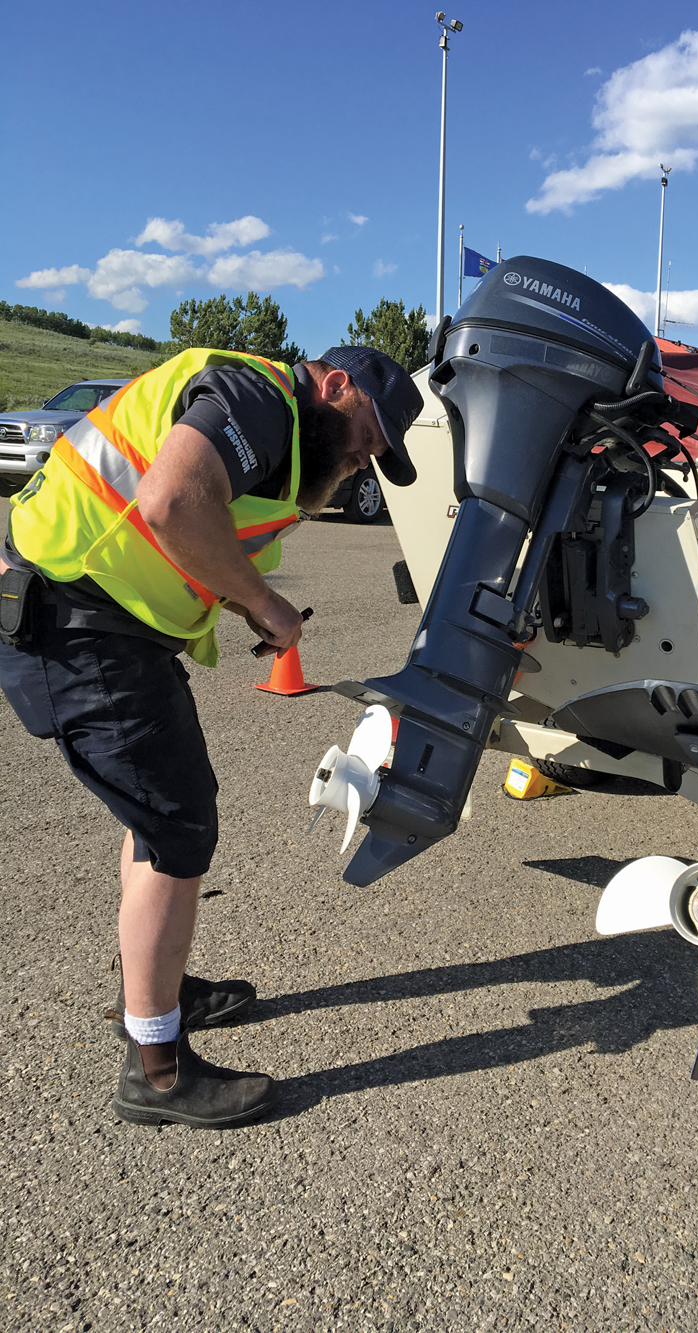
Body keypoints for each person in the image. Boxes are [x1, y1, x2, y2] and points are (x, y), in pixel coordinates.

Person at [0, 344, 423, 1128]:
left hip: (93, 619)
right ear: (336, 386)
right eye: (370, 434)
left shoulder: (279, 430)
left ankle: (148, 987)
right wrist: (263, 602)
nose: (368, 458)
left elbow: (187, 530)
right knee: (178, 823)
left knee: (158, 814)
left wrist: (236, 597)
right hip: (75, 619)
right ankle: (155, 1069)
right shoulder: (258, 398)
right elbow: (172, 500)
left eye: (380, 456)